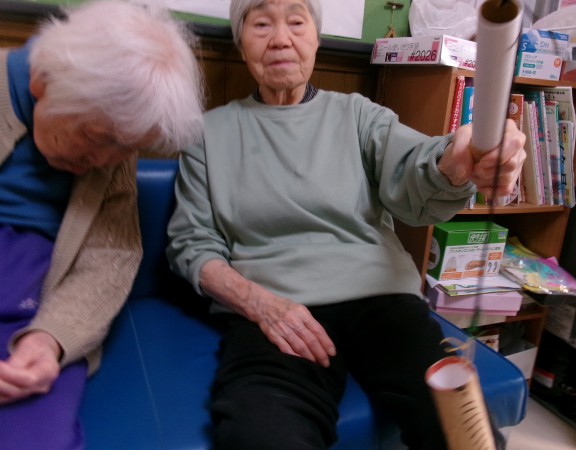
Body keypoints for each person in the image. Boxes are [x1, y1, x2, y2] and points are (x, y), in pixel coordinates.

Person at [166, 0, 526, 448]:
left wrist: (458, 160)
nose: (281, 39)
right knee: (262, 435)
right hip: (276, 311)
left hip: (383, 304)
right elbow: (191, 243)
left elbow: (415, 167)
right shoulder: (208, 134)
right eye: (261, 24)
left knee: (465, 434)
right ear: (241, 43)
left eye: (296, 22)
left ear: (316, 39)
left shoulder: (358, 115)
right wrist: (260, 305)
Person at [0, 1, 204, 448]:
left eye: (126, 149)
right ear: (41, 81)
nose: (105, 162)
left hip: (39, 307)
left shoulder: (113, 141)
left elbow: (110, 257)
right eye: (97, 138)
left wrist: (50, 340)